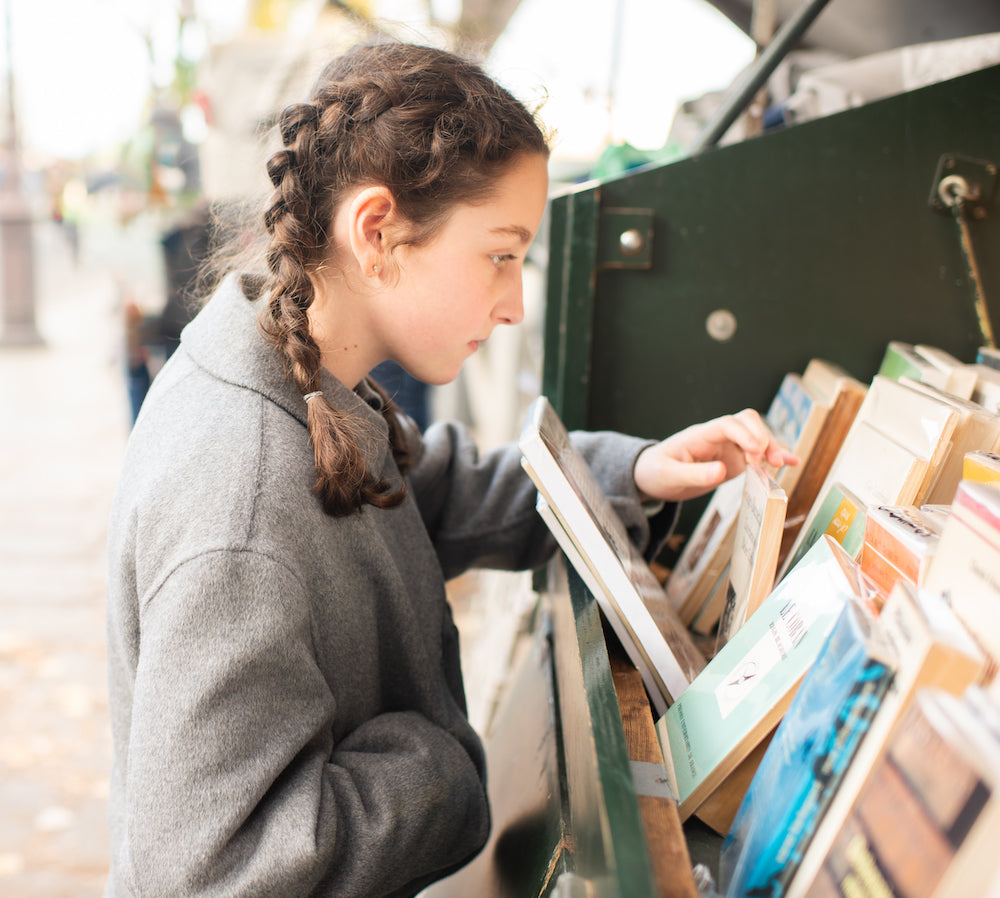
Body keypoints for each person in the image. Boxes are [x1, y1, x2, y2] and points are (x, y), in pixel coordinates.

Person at [104, 41, 795, 898]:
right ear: (378, 232)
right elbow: (219, 870)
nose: (512, 306)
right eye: (501, 255)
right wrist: (441, 760)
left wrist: (637, 471)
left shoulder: (299, 376)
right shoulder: (236, 511)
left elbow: (418, 495)